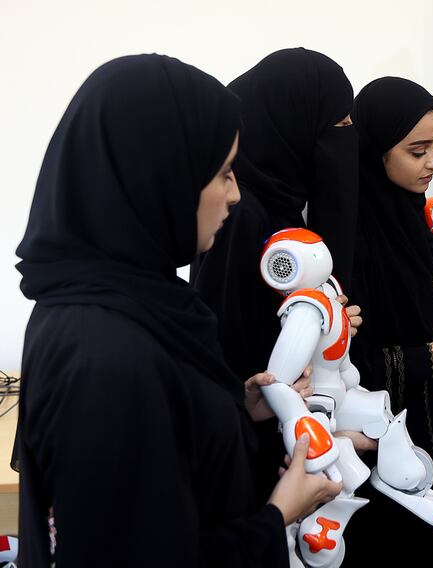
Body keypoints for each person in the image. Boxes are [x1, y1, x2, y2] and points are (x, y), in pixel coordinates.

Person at [15, 54, 341, 567]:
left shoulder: (133, 301)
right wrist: (277, 515)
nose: (235, 194)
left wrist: (233, 404)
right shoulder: (102, 357)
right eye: (224, 172)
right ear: (160, 177)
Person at [190, 48, 363, 501]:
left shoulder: (279, 206)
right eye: (337, 124)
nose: (347, 138)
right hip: (249, 438)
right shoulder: (242, 213)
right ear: (291, 123)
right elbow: (226, 340)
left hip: (274, 423)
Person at [343, 77, 433, 567]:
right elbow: (351, 368)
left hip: (428, 422)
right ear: (375, 151)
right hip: (379, 443)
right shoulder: (349, 240)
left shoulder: (408, 218)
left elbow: (410, 304)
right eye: (417, 149)